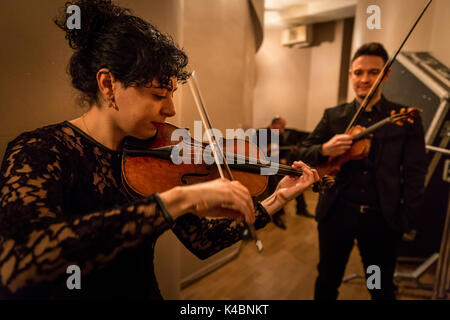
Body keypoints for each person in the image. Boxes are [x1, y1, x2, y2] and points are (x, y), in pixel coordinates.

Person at [0, 0, 319, 299]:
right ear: (108, 84)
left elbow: (204, 240)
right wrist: (178, 200)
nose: (171, 110)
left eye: (172, 94)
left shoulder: (155, 161)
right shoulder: (40, 151)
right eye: (157, 95)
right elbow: (21, 263)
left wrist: (279, 198)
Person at [298, 42, 426, 300]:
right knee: (328, 279)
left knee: (379, 287)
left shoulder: (402, 118)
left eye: (373, 72)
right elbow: (301, 151)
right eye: (359, 72)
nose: (365, 79)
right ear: (350, 75)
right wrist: (325, 148)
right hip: (337, 216)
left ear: (386, 74)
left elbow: (415, 172)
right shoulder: (334, 116)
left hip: (381, 221)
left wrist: (405, 217)